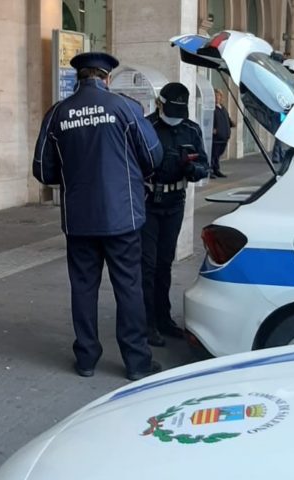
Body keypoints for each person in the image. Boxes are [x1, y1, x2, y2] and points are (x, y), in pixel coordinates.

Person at [33, 52, 164, 381]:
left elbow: (42, 170)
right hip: (123, 217)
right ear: (106, 78)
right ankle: (136, 362)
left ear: (79, 78)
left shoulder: (58, 114)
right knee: (129, 288)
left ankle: (87, 358)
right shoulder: (125, 108)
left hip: (79, 219)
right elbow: (153, 156)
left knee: (83, 287)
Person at [142, 83, 210, 347]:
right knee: (146, 265)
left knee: (164, 263)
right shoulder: (146, 127)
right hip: (148, 201)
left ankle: (163, 318)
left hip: (175, 202)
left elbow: (204, 163)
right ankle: (145, 324)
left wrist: (195, 170)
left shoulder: (191, 129)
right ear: (159, 103)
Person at [210, 89, 234, 178]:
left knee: (218, 155)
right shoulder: (212, 108)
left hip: (224, 136)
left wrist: (231, 123)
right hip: (216, 138)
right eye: (215, 96)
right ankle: (211, 170)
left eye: (219, 96)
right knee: (213, 155)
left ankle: (216, 169)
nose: (217, 98)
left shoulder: (223, 108)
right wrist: (212, 129)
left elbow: (227, 119)